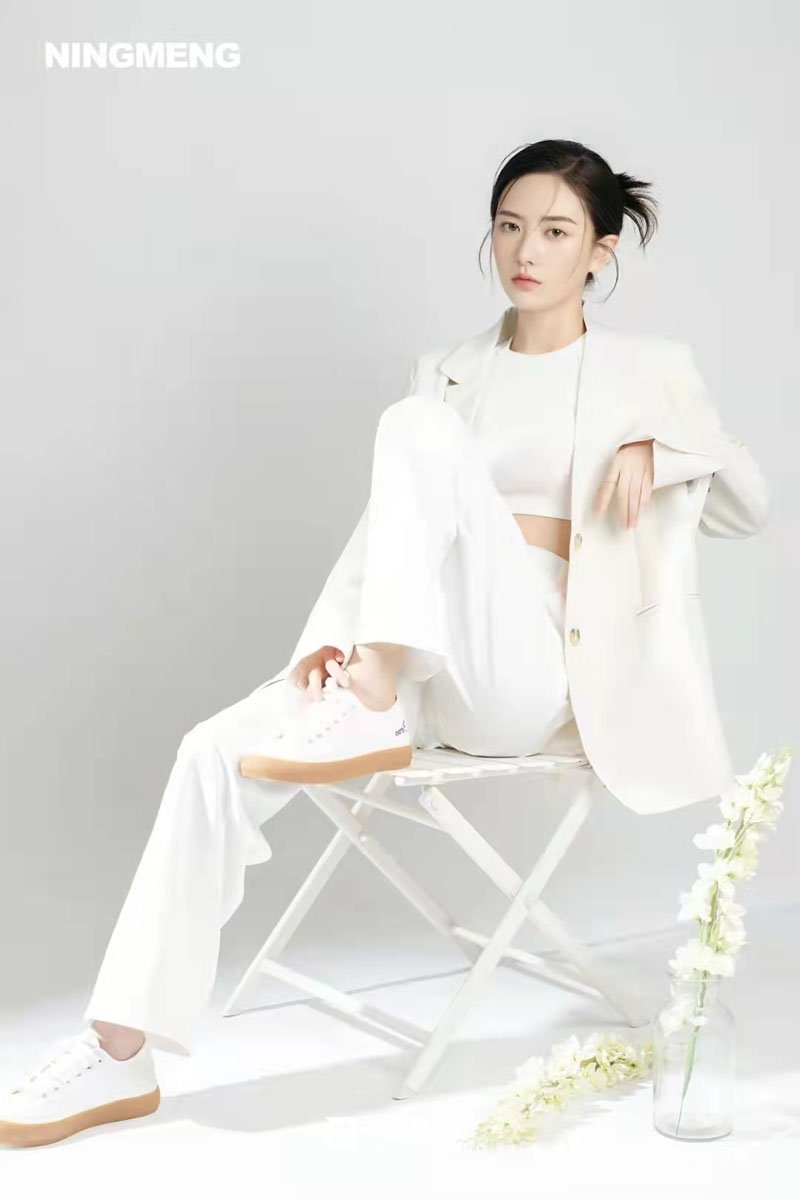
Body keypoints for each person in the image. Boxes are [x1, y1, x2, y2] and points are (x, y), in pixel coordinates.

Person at [0, 138, 736, 1148]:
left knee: (417, 430)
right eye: (508, 225)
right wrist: (339, 636)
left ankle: (372, 694)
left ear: (599, 250)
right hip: (421, 648)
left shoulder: (650, 370)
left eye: (555, 231)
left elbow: (747, 503)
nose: (525, 250)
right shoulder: (450, 371)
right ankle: (118, 1049)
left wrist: (661, 445)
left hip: (535, 668)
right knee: (211, 750)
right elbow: (400, 522)